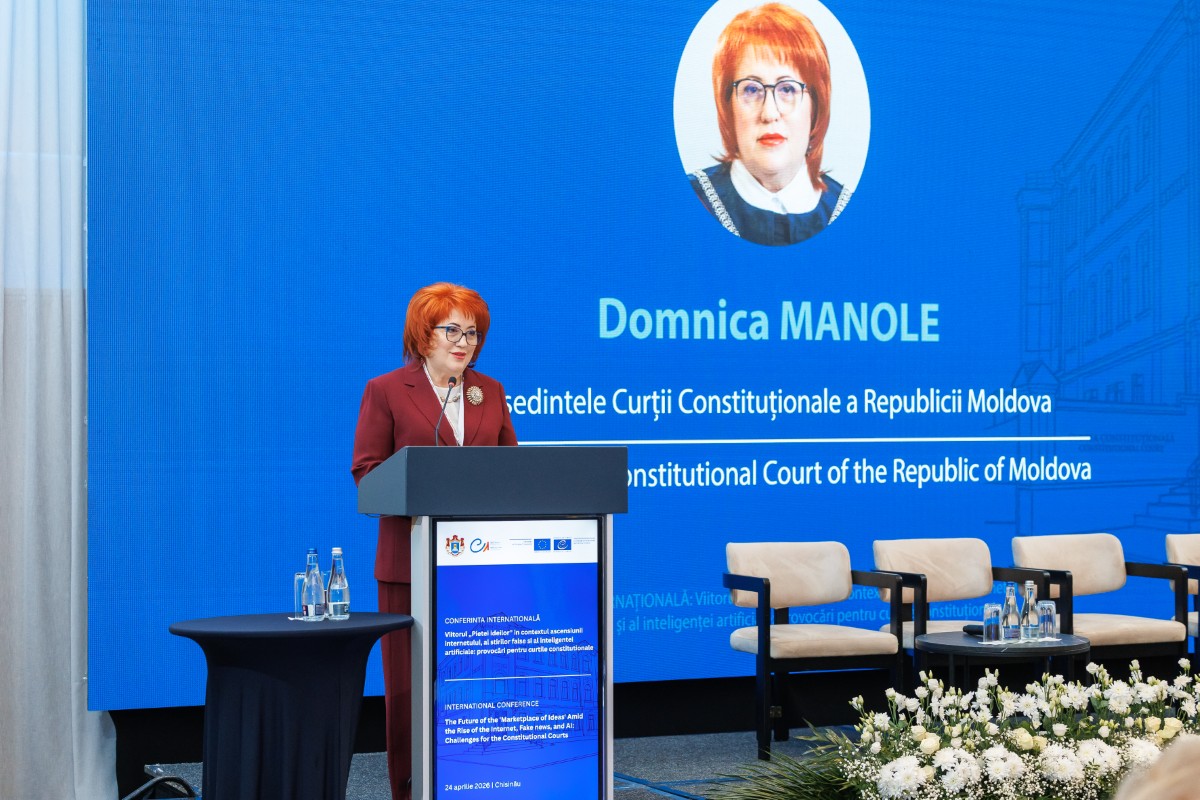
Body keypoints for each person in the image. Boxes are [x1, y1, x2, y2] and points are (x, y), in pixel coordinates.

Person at [351, 282, 518, 800]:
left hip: (479, 565)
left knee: (478, 683)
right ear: (423, 336)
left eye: (473, 333)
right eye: (452, 331)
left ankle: (479, 784)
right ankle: (410, 790)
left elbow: (514, 471)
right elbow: (367, 471)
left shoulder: (489, 391)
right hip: (409, 565)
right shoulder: (386, 390)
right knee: (409, 690)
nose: (464, 343)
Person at [688, 2, 851, 246]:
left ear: (816, 105)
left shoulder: (849, 210)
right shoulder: (689, 200)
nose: (770, 113)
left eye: (787, 89)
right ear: (727, 105)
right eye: (751, 89)